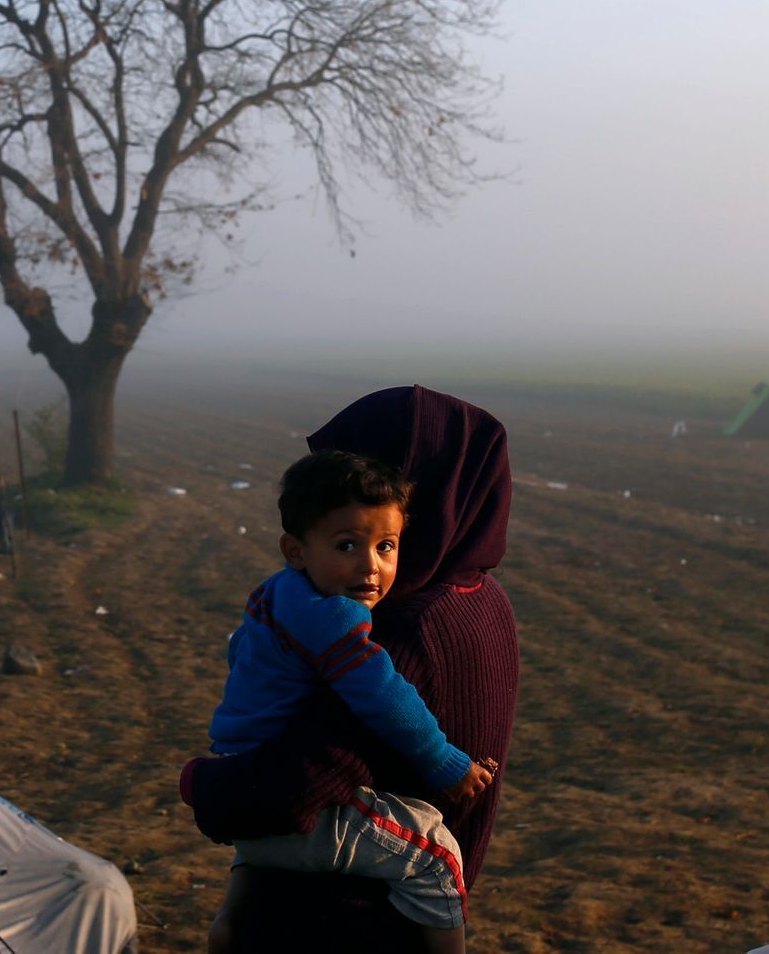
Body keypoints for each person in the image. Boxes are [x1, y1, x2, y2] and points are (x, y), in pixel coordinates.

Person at [183, 386, 519, 951]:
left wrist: (207, 788)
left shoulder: (405, 625)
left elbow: (292, 792)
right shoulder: (483, 598)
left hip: (348, 920)